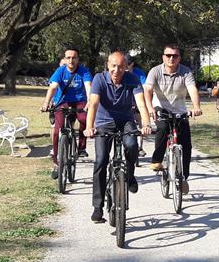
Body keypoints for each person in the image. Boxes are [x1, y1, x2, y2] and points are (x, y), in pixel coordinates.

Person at [84, 52, 152, 223]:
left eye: (121, 66)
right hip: (103, 122)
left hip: (125, 121)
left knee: (131, 145)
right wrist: (89, 127)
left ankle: (129, 176)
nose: (117, 70)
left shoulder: (133, 80)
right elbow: (93, 104)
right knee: (101, 160)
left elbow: (141, 104)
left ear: (126, 67)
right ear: (108, 65)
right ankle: (97, 207)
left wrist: (146, 124)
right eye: (113, 66)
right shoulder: (99, 79)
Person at [143, 44, 203, 195]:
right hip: (160, 108)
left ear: (179, 58)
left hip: (180, 110)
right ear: (163, 57)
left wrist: (196, 106)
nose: (171, 58)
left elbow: (192, 89)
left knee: (186, 144)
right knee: (162, 129)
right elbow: (148, 90)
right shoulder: (155, 71)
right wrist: (150, 108)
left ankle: (183, 177)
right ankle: (157, 160)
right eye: (168, 55)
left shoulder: (185, 72)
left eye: (175, 56)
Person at [41, 48, 92, 166]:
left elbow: (88, 86)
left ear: (78, 59)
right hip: (63, 102)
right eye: (68, 58)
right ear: (64, 59)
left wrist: (89, 101)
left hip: (80, 101)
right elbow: (53, 87)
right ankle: (56, 156)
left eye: (74, 57)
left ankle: (81, 148)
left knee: (84, 119)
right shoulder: (60, 71)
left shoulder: (84, 71)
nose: (71, 60)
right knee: (56, 131)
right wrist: (46, 103)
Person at [125, 54, 148, 157]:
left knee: (140, 121)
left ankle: (140, 147)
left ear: (132, 64)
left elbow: (145, 87)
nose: (126, 67)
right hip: (125, 101)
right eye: (124, 64)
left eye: (128, 64)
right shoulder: (120, 73)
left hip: (138, 99)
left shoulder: (139, 73)